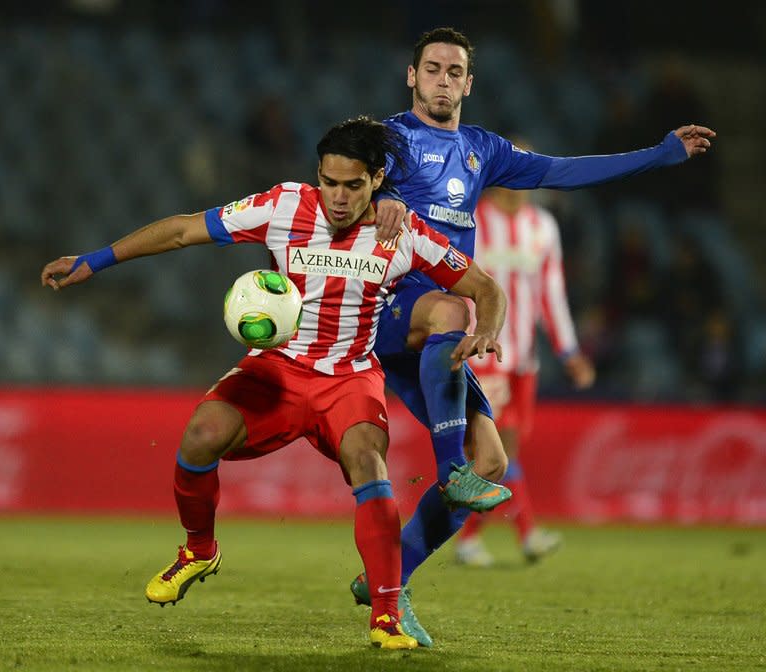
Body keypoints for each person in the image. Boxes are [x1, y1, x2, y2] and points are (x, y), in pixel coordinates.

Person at [39, 116, 508, 651]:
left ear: (376, 180)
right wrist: (94, 261)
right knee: (199, 435)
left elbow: (484, 287)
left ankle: (384, 614)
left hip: (349, 377)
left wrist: (487, 329)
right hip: (278, 368)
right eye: (329, 182)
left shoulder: (401, 233)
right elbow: (183, 230)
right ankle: (198, 549)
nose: (337, 197)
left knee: (368, 465)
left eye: (352, 186)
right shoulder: (284, 206)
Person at [349, 26, 716, 648]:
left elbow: (564, 171)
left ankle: (391, 578)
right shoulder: (388, 141)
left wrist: (660, 154)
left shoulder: (482, 150)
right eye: (431, 69)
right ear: (411, 77)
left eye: (454, 71)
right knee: (452, 309)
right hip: (390, 307)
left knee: (495, 459)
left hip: (437, 334)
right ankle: (450, 468)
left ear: (469, 82)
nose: (443, 80)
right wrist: (373, 197)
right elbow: (339, 180)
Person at [454, 174, 595, 568]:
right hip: (485, 356)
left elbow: (551, 292)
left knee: (504, 450)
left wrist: (568, 351)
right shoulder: (473, 221)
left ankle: (470, 539)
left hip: (524, 360)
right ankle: (526, 533)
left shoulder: (543, 227)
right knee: (495, 448)